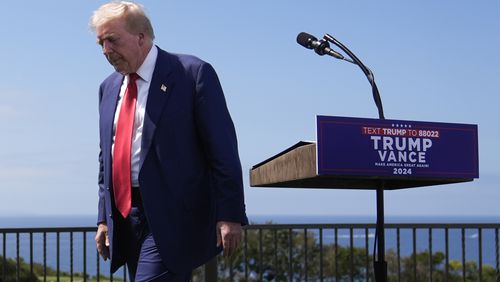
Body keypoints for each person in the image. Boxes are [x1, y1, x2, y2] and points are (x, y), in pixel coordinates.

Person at [89, 1, 248, 281]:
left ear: (141, 36)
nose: (106, 51)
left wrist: (230, 213)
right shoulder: (108, 87)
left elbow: (222, 149)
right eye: (101, 42)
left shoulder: (192, 74)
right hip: (126, 219)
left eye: (112, 40)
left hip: (174, 218)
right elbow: (107, 158)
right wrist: (104, 218)